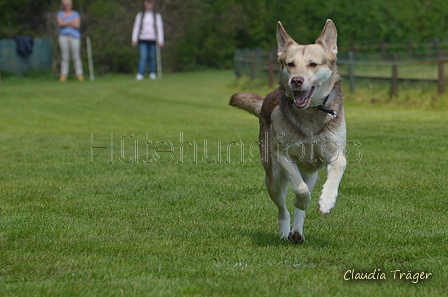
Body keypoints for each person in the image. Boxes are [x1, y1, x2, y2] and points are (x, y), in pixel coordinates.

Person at [131, 0, 164, 81]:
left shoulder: (156, 15)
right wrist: (134, 39)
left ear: (152, 4)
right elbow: (136, 27)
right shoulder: (140, 15)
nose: (149, 4)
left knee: (152, 57)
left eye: (150, 3)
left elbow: (160, 28)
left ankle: (152, 73)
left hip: (153, 40)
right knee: (143, 57)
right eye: (147, 3)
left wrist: (161, 40)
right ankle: (140, 73)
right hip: (143, 39)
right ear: (144, 4)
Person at [57, 0, 84, 82]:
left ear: (71, 5)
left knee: (76, 56)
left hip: (75, 37)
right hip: (63, 37)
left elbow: (77, 25)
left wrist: (65, 22)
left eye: (68, 5)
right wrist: (71, 22)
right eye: (65, 5)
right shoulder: (60, 14)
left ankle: (79, 74)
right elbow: (60, 23)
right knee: (65, 57)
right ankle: (63, 75)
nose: (66, 6)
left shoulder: (76, 14)